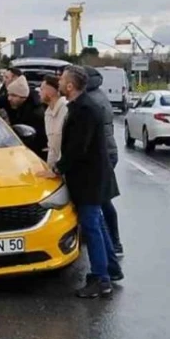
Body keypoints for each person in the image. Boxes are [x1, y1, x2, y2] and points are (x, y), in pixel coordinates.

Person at [54, 66, 122, 298]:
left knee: (91, 227)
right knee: (98, 225)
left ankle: (101, 280)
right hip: (93, 176)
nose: (59, 82)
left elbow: (78, 149)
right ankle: (111, 269)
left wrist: (57, 168)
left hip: (88, 179)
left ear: (71, 86)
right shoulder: (82, 106)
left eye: (62, 80)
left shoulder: (84, 110)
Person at [84, 66, 123, 257]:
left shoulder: (92, 100)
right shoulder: (96, 94)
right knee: (101, 199)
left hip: (104, 153)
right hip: (107, 151)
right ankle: (113, 242)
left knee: (101, 200)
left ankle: (114, 243)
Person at [4, 77, 47, 155]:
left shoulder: (36, 114)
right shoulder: (18, 106)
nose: (9, 98)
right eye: (9, 95)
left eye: (13, 95)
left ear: (23, 97)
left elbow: (36, 140)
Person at [41, 74, 67, 169]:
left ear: (50, 92)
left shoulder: (66, 109)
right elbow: (52, 147)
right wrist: (50, 169)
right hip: (57, 167)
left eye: (42, 89)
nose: (39, 93)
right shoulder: (48, 113)